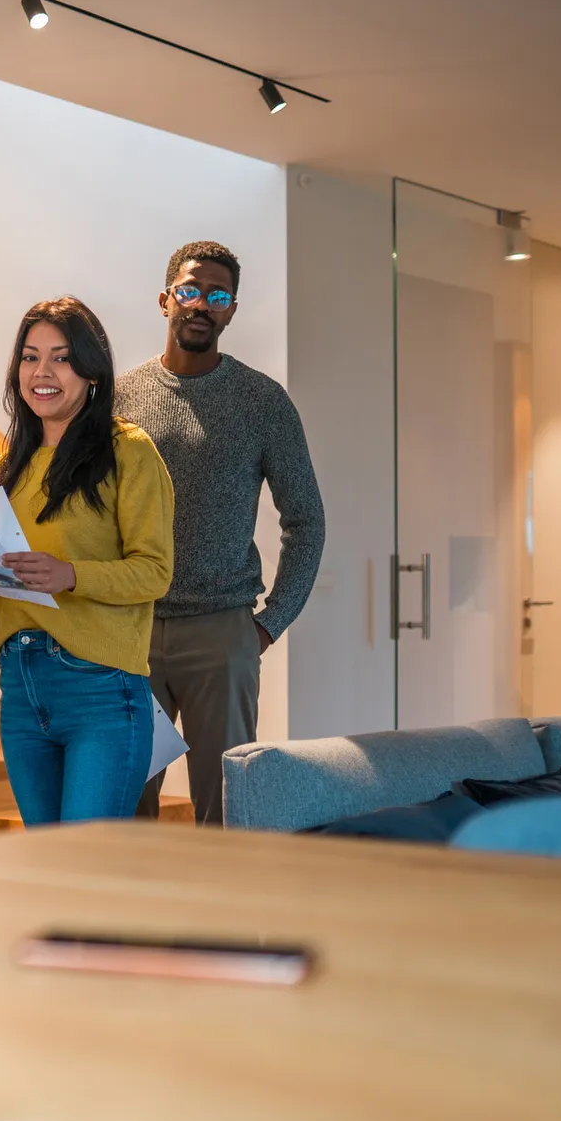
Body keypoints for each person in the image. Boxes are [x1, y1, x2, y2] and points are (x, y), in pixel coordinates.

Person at [117, 241, 325, 825]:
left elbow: (306, 519)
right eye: (189, 291)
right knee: (127, 801)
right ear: (165, 300)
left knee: (225, 808)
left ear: (231, 310)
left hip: (222, 633)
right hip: (129, 629)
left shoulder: (262, 401)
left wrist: (268, 624)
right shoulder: (120, 397)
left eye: (217, 296)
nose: (201, 305)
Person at [0, 297, 173, 824]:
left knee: (88, 861)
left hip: (99, 688)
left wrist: (69, 575)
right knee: (47, 859)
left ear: (91, 371)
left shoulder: (128, 450)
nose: (41, 372)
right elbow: (16, 571)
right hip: (20, 684)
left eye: (61, 358)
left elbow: (155, 572)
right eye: (30, 357)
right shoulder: (12, 462)